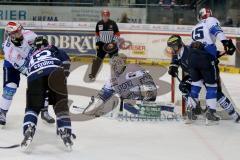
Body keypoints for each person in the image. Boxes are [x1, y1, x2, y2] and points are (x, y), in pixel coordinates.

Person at [167, 35, 240, 123]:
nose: (172, 50)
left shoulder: (191, 50)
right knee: (184, 86)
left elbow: (210, 54)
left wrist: (225, 52)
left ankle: (234, 114)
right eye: (171, 47)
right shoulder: (177, 54)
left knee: (217, 94)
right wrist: (173, 67)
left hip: (207, 72)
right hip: (195, 75)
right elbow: (175, 60)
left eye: (173, 47)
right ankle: (194, 110)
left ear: (179, 45)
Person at [20, 36, 74, 151]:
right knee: (61, 106)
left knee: (32, 108)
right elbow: (66, 60)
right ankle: (65, 130)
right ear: (46, 43)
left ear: (35, 46)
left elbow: (27, 69)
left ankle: (29, 128)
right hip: (55, 72)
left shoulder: (32, 55)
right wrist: (63, 76)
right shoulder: (52, 48)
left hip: (34, 76)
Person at [0, 21, 55, 127]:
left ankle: (44, 111)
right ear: (11, 35)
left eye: (20, 30)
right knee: (10, 87)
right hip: (11, 65)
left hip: (28, 60)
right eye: (16, 32)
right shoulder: (10, 52)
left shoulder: (28, 34)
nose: (20, 33)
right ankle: (2, 112)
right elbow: (24, 68)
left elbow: (41, 46)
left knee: (44, 83)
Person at [186, 7, 236, 123]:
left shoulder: (195, 27)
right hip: (205, 58)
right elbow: (217, 31)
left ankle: (190, 109)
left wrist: (223, 51)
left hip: (192, 57)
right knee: (212, 86)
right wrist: (226, 43)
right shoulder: (211, 20)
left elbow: (200, 45)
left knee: (196, 84)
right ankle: (211, 113)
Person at [83, 54, 157, 116]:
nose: (113, 68)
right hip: (126, 104)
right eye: (112, 66)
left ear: (120, 65)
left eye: (114, 66)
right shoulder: (111, 80)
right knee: (112, 101)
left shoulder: (134, 70)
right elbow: (103, 96)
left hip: (141, 100)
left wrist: (150, 97)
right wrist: (95, 107)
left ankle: (147, 106)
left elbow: (148, 80)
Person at [88, 8, 120, 81]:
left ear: (109, 16)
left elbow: (117, 34)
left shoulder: (113, 23)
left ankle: (117, 77)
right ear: (102, 16)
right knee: (97, 60)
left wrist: (113, 43)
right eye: (104, 15)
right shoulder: (99, 23)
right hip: (102, 45)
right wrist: (97, 44)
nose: (105, 17)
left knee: (115, 61)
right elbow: (97, 34)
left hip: (111, 45)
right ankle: (92, 75)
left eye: (107, 15)